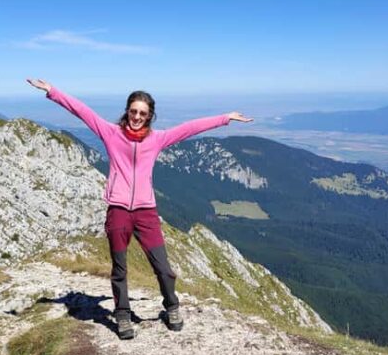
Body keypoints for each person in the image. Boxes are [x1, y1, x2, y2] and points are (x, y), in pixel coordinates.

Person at [27, 78, 253, 339]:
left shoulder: (157, 139)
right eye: (133, 111)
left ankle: (172, 307)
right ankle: (122, 316)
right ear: (127, 111)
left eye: (142, 113)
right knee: (120, 268)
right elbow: (82, 111)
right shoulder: (111, 133)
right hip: (119, 211)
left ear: (149, 116)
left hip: (146, 212)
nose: (136, 116)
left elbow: (190, 128)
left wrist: (226, 117)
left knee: (164, 268)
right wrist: (52, 91)